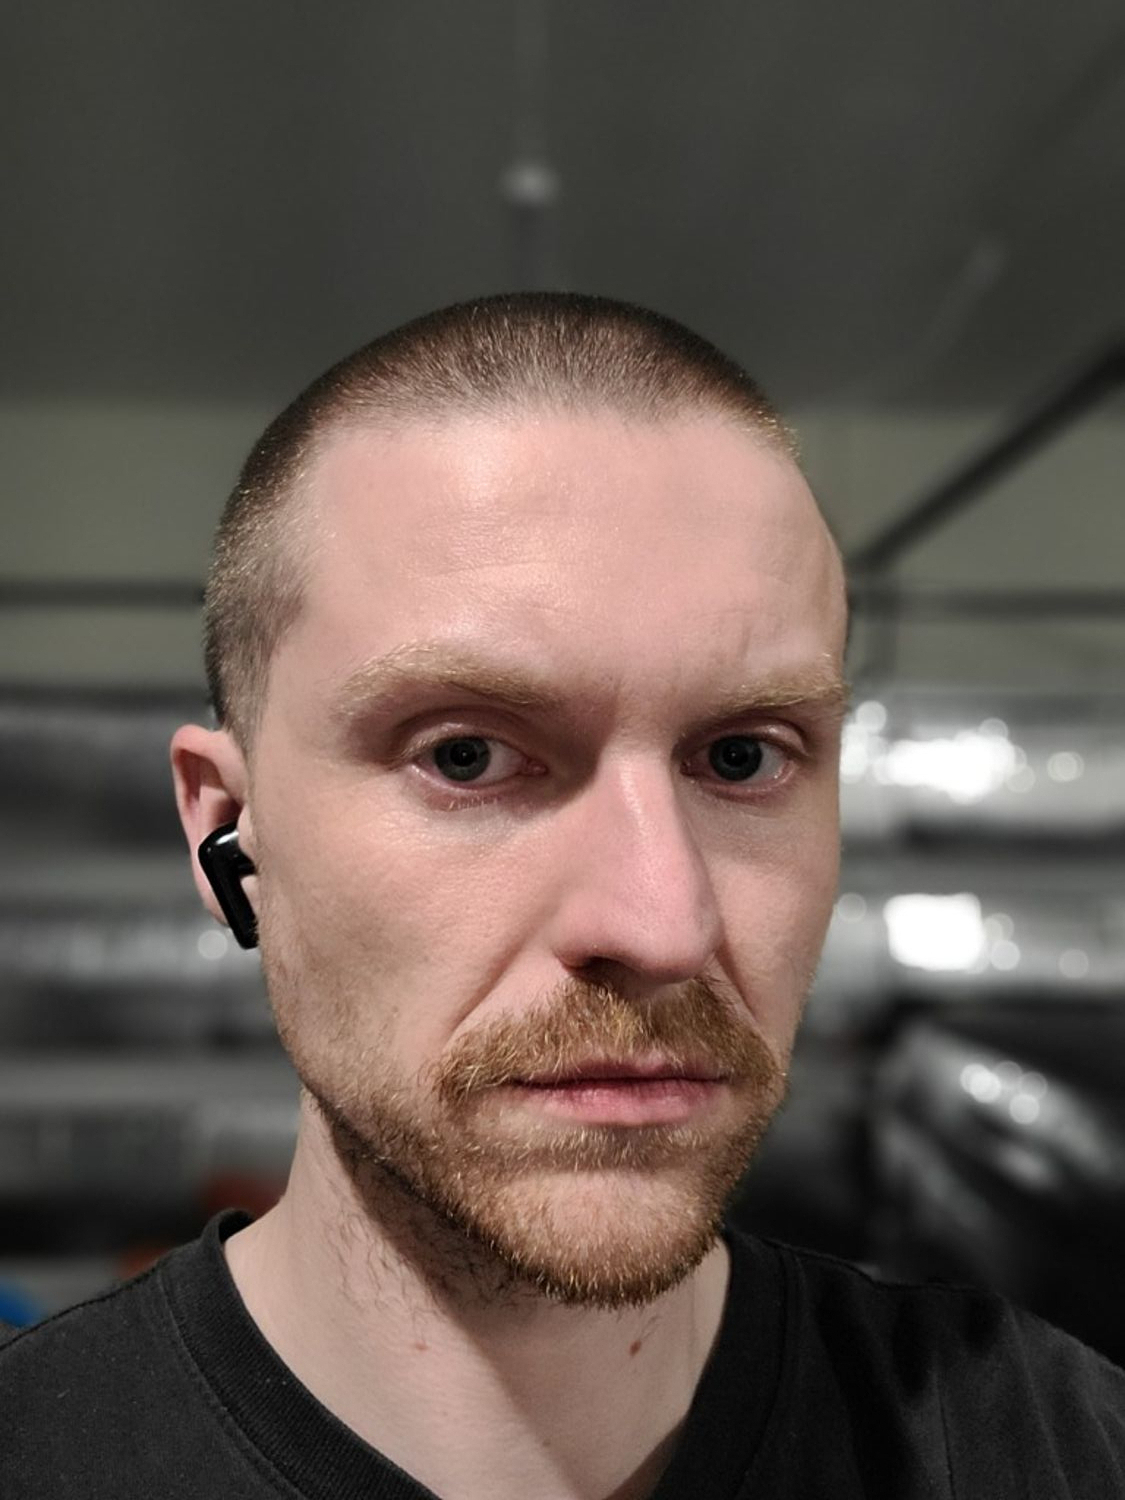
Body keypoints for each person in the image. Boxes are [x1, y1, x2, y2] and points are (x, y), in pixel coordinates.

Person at [3, 293, 1123, 1498]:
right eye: (466, 756)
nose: (661, 925)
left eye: (741, 756)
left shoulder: (1061, 1451)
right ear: (229, 827)